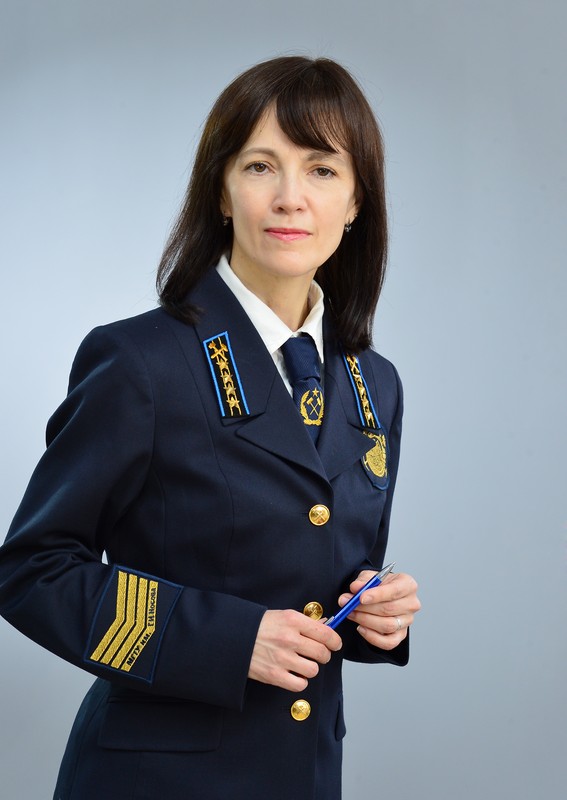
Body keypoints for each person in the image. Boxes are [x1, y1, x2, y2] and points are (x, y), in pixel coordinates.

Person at [0, 55, 420, 800]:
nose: (290, 197)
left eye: (322, 170)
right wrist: (226, 641)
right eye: (261, 166)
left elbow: (315, 576)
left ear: (357, 201)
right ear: (221, 191)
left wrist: (371, 614)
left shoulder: (373, 383)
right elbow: (33, 571)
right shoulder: (140, 361)